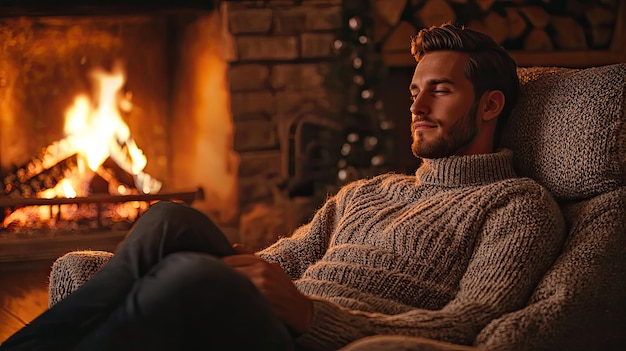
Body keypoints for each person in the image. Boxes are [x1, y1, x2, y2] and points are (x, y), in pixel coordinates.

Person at [0, 23, 565, 351]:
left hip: (316, 338)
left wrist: (309, 315)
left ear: (490, 105)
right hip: (281, 314)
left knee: (191, 273)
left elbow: (473, 322)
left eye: (439, 90)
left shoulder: (517, 204)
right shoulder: (368, 192)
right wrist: (249, 275)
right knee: (168, 221)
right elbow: (283, 257)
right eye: (414, 89)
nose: (415, 106)